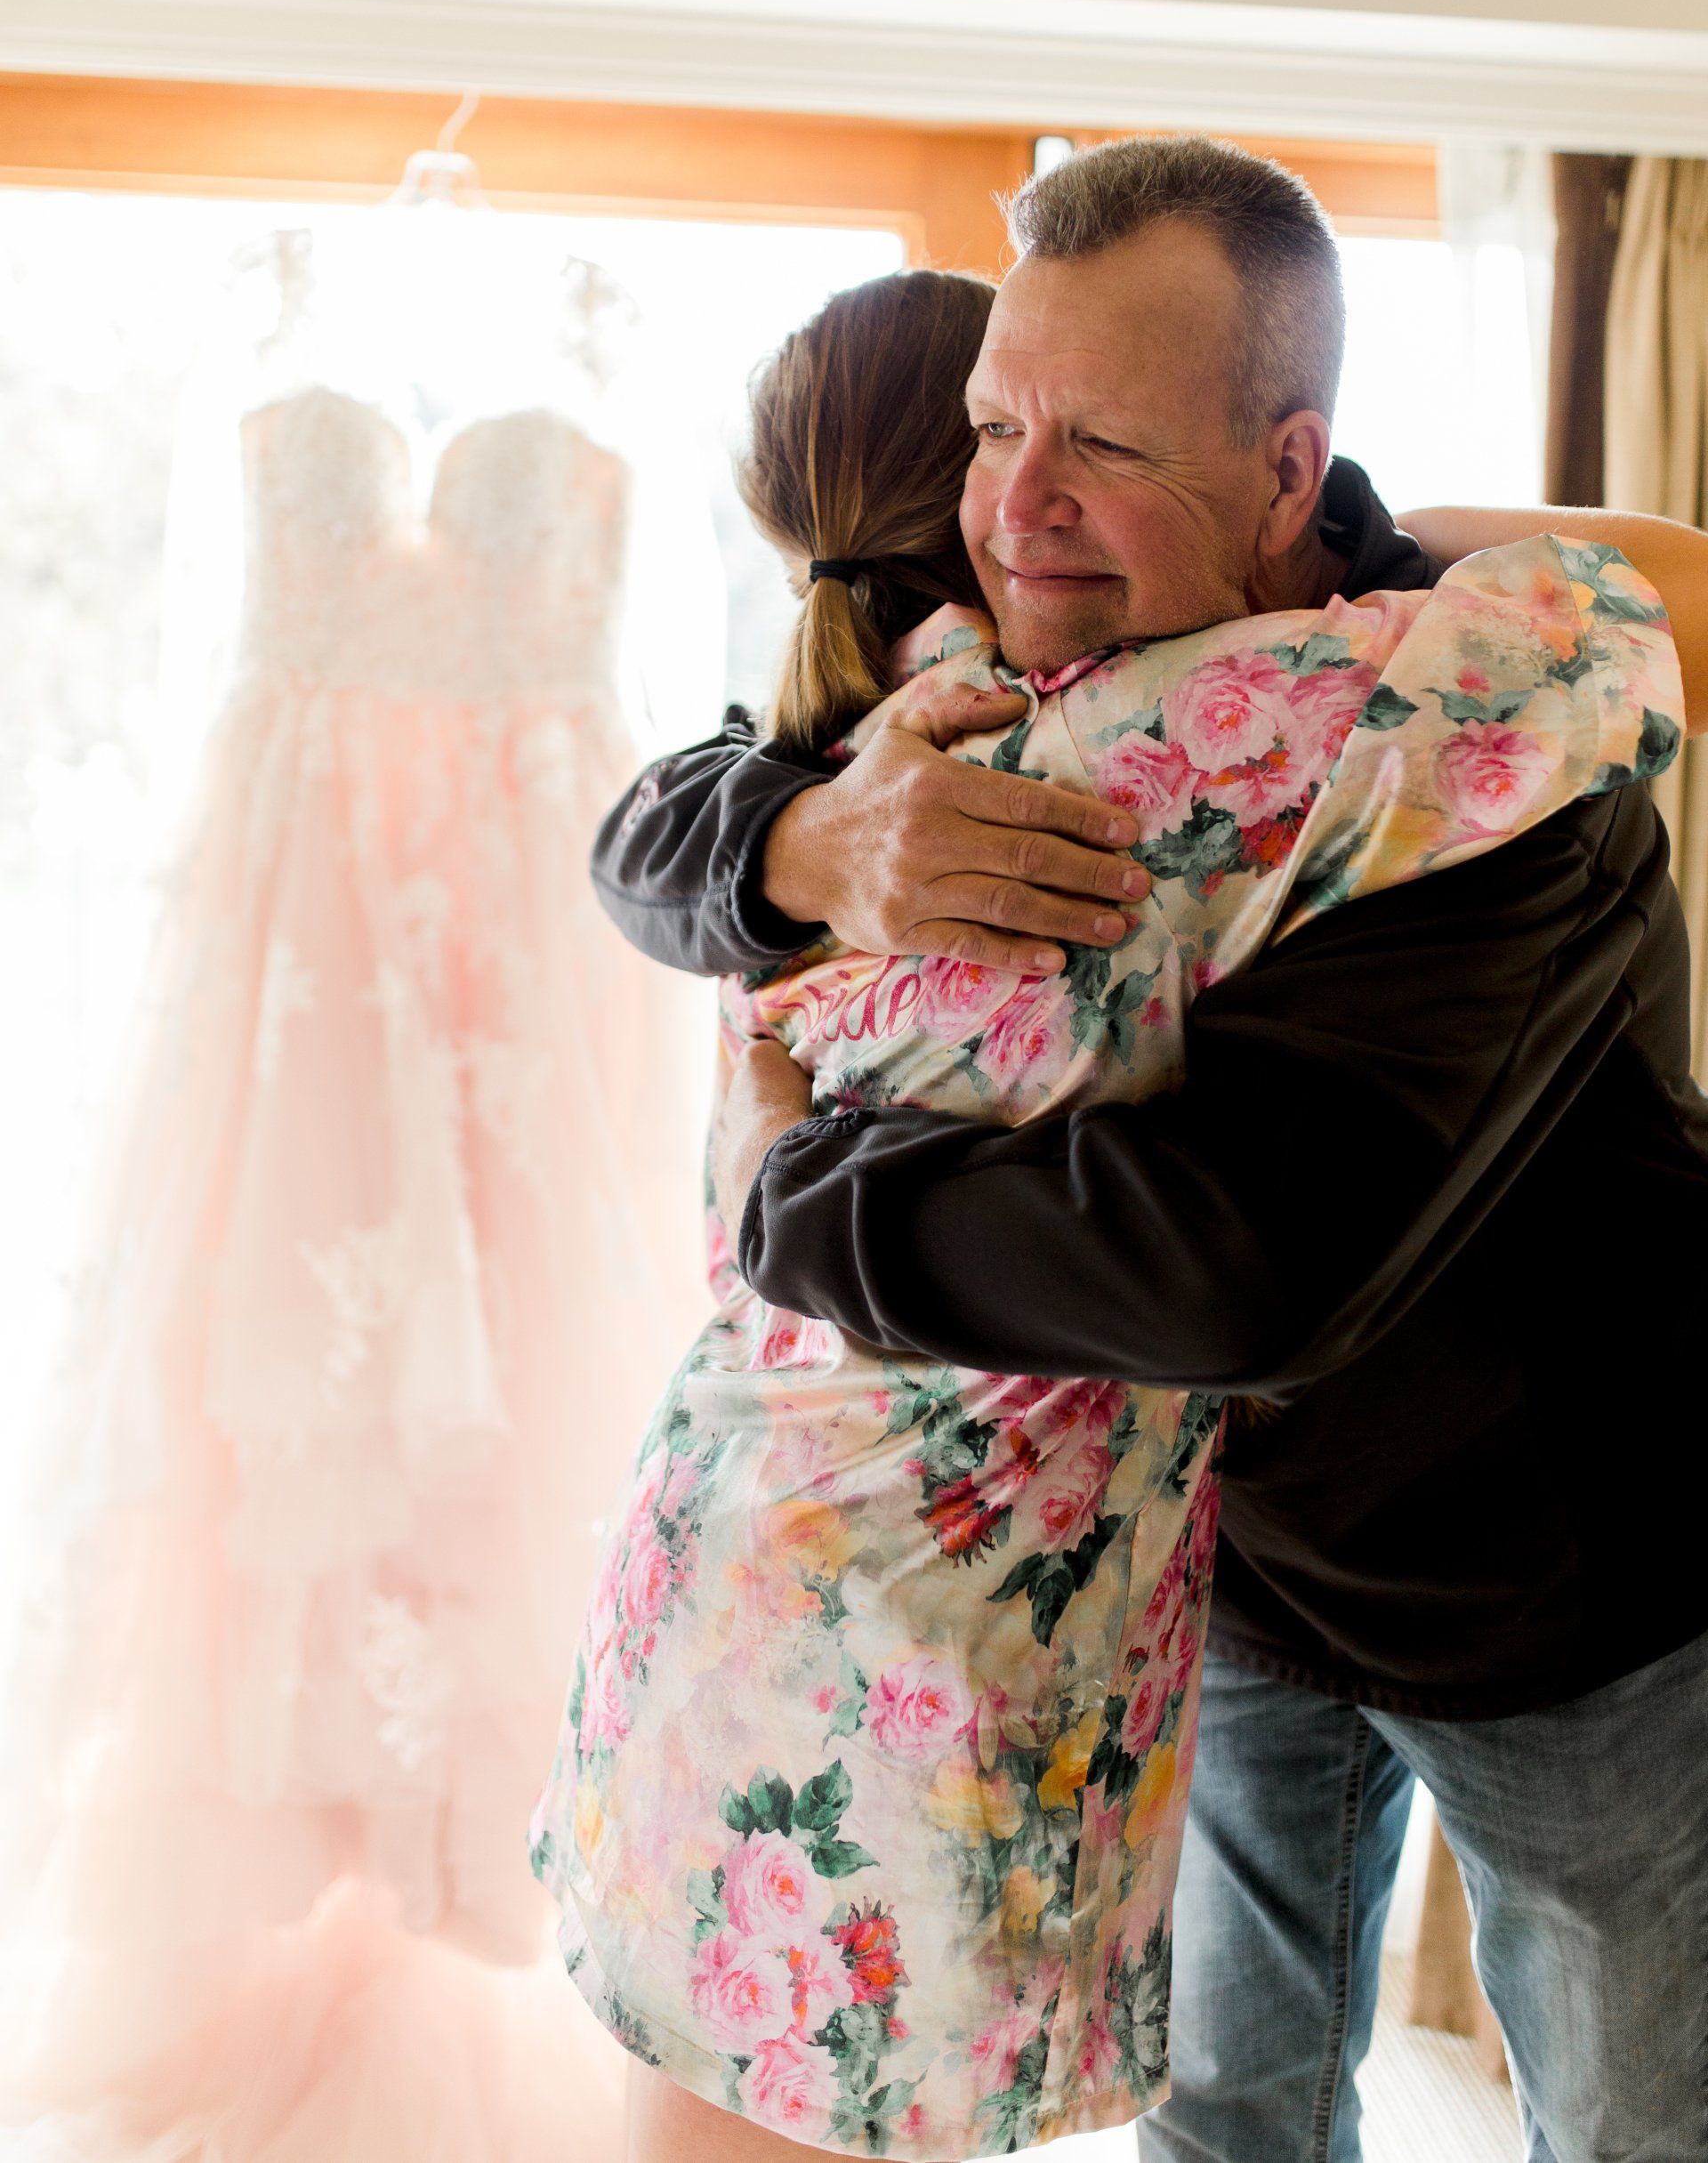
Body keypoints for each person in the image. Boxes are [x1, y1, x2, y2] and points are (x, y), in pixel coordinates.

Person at [585, 137, 1708, 2163]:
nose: (1016, 505)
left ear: (1287, 472)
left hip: (1559, 1582)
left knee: (1641, 2123)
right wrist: (795, 845)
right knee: (1222, 2123)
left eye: (1095, 440)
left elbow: (1231, 1260)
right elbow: (665, 816)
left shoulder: (1478, 749)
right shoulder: (1028, 656)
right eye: (997, 424)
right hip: (1233, 1569)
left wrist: (789, 1198)